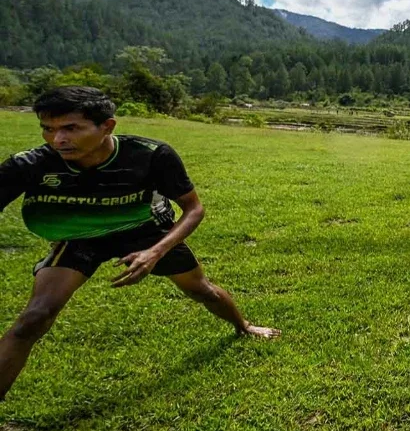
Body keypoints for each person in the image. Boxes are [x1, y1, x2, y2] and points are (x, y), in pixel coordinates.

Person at [0, 87, 279, 401]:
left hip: (144, 231)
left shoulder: (151, 155)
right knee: (35, 317)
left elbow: (194, 209)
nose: (58, 140)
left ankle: (243, 326)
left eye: (70, 128)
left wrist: (156, 251)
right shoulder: (29, 165)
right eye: (48, 129)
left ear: (107, 126)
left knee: (200, 289)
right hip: (82, 237)